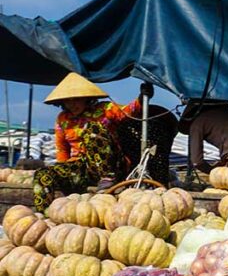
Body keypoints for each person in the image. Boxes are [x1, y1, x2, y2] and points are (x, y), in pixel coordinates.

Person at [32, 73, 151, 210]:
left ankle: (107, 178)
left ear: (86, 98)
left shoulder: (105, 109)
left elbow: (129, 111)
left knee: (93, 129)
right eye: (68, 101)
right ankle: (43, 214)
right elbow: (62, 150)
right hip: (81, 169)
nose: (72, 104)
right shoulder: (63, 119)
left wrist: (142, 99)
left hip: (112, 165)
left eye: (76, 99)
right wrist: (62, 174)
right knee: (42, 174)